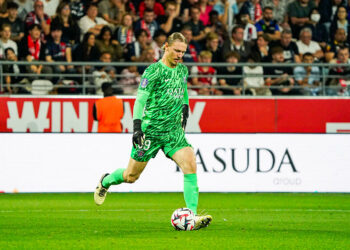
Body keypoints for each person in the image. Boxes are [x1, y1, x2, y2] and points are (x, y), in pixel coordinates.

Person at [94, 32, 212, 230]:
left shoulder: (182, 70)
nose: (180, 55)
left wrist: (185, 106)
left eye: (183, 52)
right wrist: (137, 126)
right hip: (151, 131)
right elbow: (140, 99)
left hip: (173, 132)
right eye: (176, 51)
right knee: (131, 176)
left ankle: (191, 216)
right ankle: (105, 181)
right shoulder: (153, 71)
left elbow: (183, 89)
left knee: (190, 166)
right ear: (166, 47)